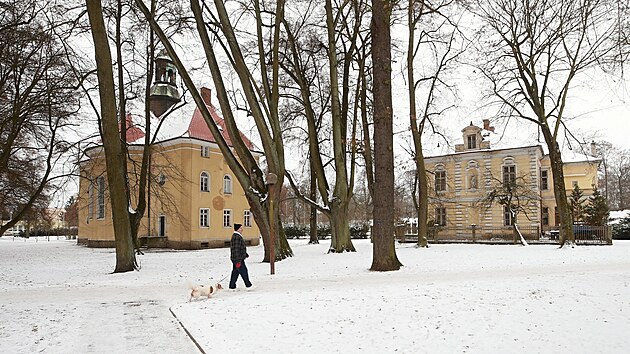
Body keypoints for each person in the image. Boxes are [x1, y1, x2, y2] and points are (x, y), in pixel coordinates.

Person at [229, 223, 253, 289]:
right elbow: (236, 249)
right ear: (237, 229)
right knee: (243, 271)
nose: (242, 229)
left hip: (237, 258)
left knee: (235, 272)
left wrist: (245, 254)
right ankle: (248, 285)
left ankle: (232, 286)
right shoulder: (236, 237)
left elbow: (240, 247)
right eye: (240, 228)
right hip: (238, 259)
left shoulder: (237, 236)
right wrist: (238, 260)